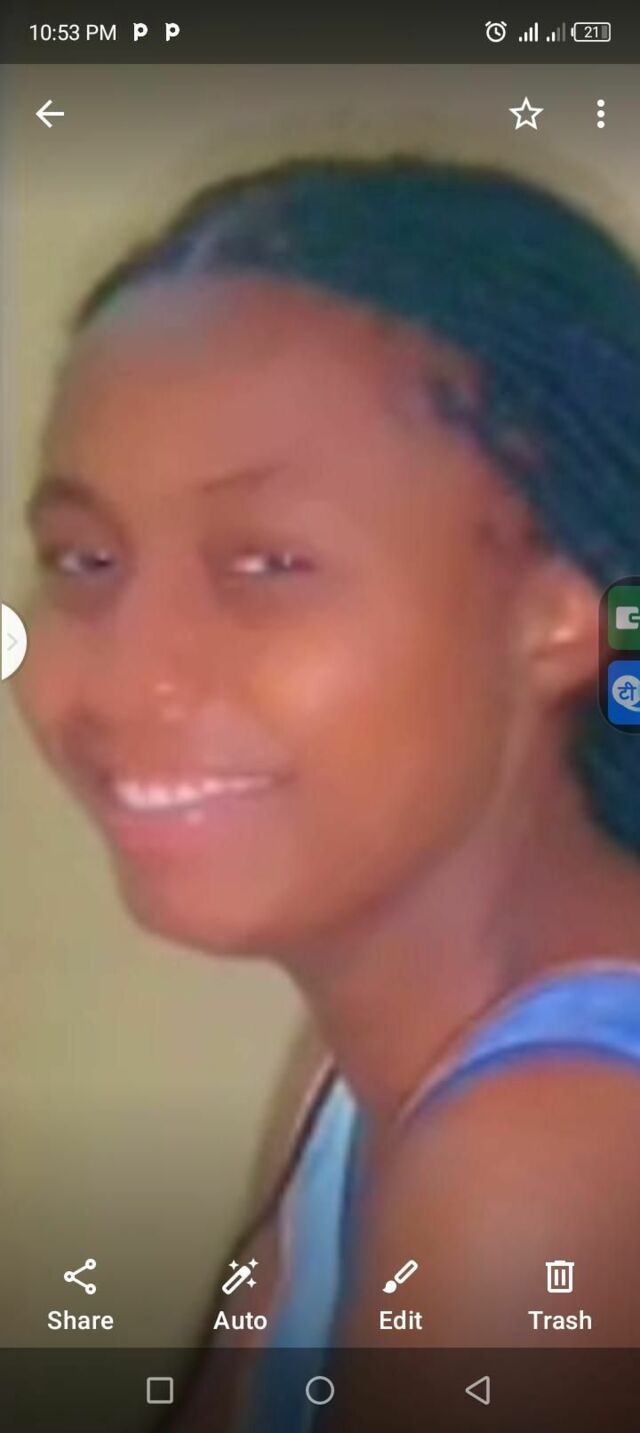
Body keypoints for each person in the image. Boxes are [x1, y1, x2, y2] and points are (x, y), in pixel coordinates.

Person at [16, 157, 640, 1430]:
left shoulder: (550, 1159)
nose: (126, 676)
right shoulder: (369, 1071)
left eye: (266, 564)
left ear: (559, 612)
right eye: (85, 559)